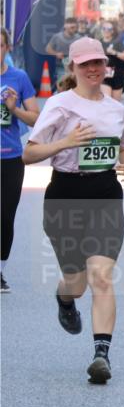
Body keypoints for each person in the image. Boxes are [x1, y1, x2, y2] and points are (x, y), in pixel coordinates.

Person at [22, 37, 124, 383]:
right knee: (77, 282)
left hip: (104, 194)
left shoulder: (117, 110)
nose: (92, 69)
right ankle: (64, 298)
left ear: (106, 66)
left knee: (101, 275)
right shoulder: (59, 105)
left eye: (98, 63)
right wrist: (66, 143)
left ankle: (101, 355)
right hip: (65, 195)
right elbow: (29, 154)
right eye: (85, 64)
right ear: (73, 67)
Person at [1, 28, 41, 293]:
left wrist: (14, 109)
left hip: (10, 158)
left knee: (5, 216)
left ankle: (0, 270)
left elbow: (36, 117)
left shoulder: (19, 77)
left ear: (6, 48)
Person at [98, 20, 124, 100]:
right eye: (104, 28)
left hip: (117, 75)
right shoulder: (98, 43)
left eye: (108, 29)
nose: (106, 31)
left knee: (116, 103)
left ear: (112, 31)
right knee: (107, 100)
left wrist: (114, 52)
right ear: (101, 30)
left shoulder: (117, 42)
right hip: (104, 76)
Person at [45, 19, 82, 83]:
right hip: (60, 66)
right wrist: (56, 54)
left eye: (75, 27)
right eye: (72, 27)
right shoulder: (57, 37)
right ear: (65, 26)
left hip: (75, 67)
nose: (74, 29)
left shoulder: (79, 38)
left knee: (74, 86)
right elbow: (48, 49)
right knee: (62, 85)